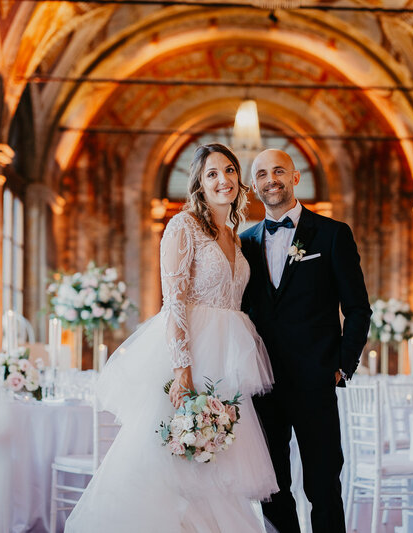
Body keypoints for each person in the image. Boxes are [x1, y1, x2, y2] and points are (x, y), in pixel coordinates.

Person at [65, 143, 277, 533]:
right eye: (211, 173)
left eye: (229, 171)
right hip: (191, 353)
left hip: (229, 358)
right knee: (171, 461)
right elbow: (174, 302)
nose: (222, 180)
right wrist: (182, 369)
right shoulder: (183, 227)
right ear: (198, 181)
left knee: (219, 461)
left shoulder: (236, 235)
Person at [240, 149, 371, 533]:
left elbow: (358, 308)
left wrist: (341, 365)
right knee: (271, 486)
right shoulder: (243, 243)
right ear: (254, 186)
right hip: (262, 381)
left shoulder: (332, 234)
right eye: (262, 174)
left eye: (279, 170)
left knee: (323, 483)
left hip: (316, 379)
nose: (271, 179)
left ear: (295, 177)